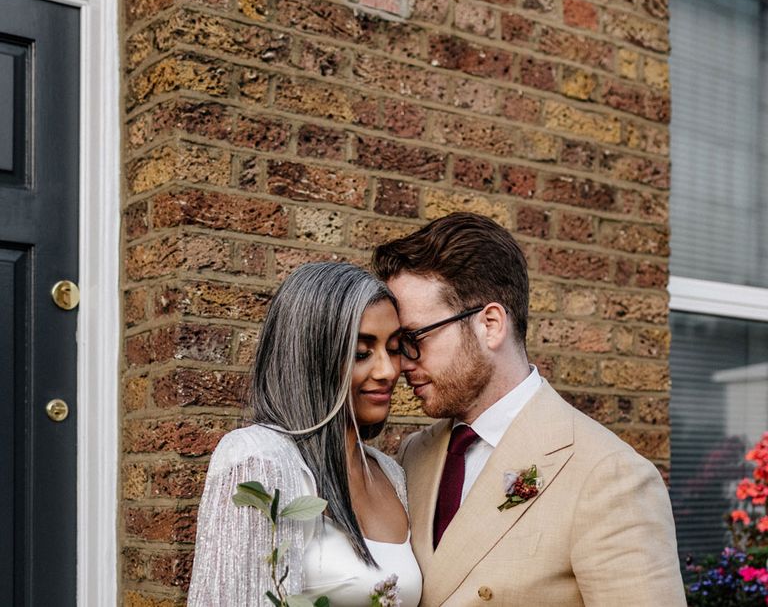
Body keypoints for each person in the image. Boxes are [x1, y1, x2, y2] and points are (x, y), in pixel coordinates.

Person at [372, 212, 686, 606]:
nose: (402, 363)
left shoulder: (609, 476)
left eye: (414, 338)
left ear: (490, 324)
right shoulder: (413, 455)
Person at [187, 262, 422, 606]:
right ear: (311, 357)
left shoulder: (391, 474)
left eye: (395, 348)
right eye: (361, 352)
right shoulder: (258, 460)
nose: (388, 370)